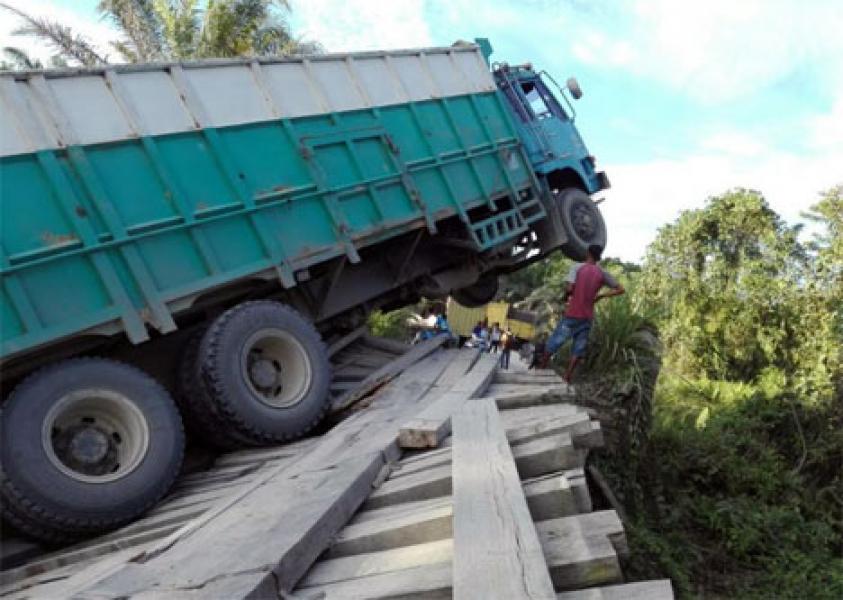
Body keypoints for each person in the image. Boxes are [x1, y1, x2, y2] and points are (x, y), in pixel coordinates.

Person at [542, 244, 625, 383]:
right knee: (578, 347)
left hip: (572, 314)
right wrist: (601, 296)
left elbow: (569, 288)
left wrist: (566, 295)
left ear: (587, 253)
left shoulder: (577, 268)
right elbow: (621, 289)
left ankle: (542, 366)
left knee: (556, 341)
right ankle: (568, 376)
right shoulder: (602, 273)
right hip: (587, 317)